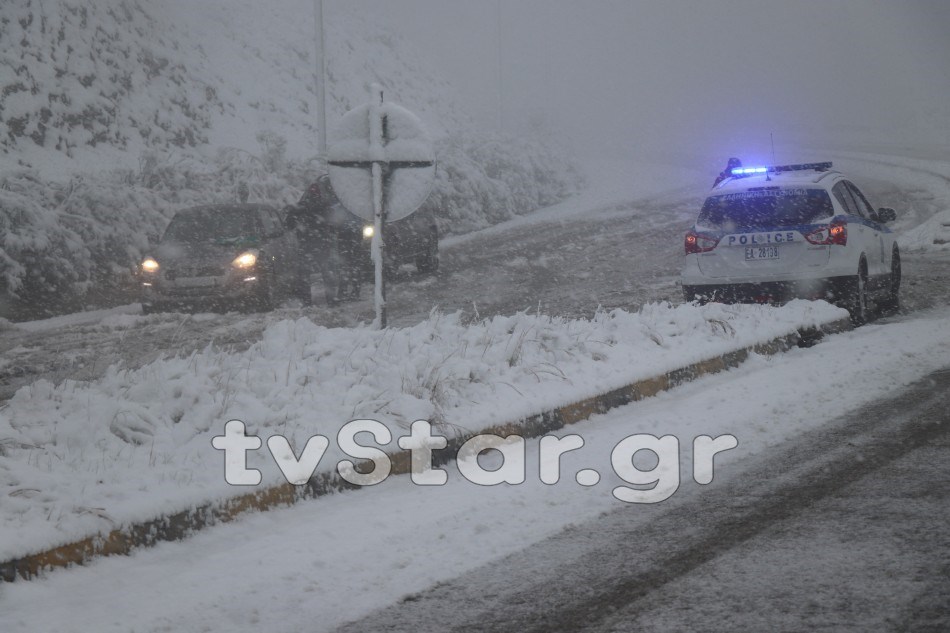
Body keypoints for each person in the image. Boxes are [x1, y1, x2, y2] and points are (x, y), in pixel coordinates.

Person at [284, 175, 361, 306]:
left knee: (306, 273)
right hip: (322, 243)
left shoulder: (299, 209)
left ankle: (307, 301)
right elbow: (334, 225)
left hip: (307, 244)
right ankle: (330, 300)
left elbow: (288, 225)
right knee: (326, 271)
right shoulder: (325, 207)